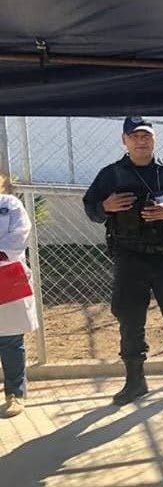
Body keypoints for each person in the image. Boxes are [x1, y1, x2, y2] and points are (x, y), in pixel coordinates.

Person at [82, 116, 163, 406]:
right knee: (129, 316)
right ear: (124, 140)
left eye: (146, 136)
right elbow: (91, 207)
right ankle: (135, 382)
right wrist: (106, 206)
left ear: (155, 138)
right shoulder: (111, 175)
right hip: (129, 257)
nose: (141, 141)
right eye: (135, 136)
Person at [0, 176, 37, 419]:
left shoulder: (10, 204)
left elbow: (20, 234)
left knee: (11, 340)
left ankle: (15, 393)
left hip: (6, 276)